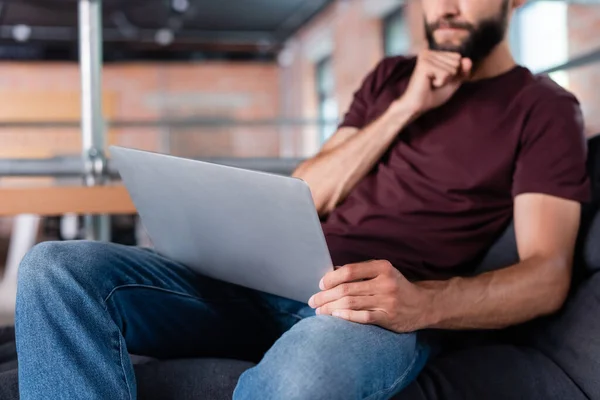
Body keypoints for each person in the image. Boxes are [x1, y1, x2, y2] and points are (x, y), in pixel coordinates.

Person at [16, 0, 590, 399]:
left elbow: (547, 274)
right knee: (54, 268)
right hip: (271, 279)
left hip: (368, 306)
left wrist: (422, 304)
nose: (442, 7)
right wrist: (404, 109)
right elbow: (309, 192)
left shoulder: (543, 108)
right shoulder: (392, 79)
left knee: (302, 383)